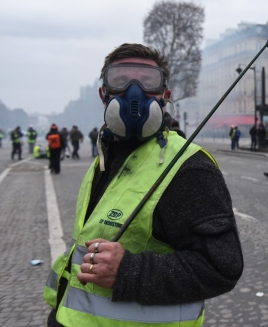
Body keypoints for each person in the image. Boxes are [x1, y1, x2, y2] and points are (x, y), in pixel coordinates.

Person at [44, 43, 243, 326]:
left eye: (148, 82)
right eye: (120, 81)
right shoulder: (104, 157)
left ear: (165, 96)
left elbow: (222, 267)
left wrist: (128, 271)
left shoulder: (189, 168)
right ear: (104, 94)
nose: (134, 93)